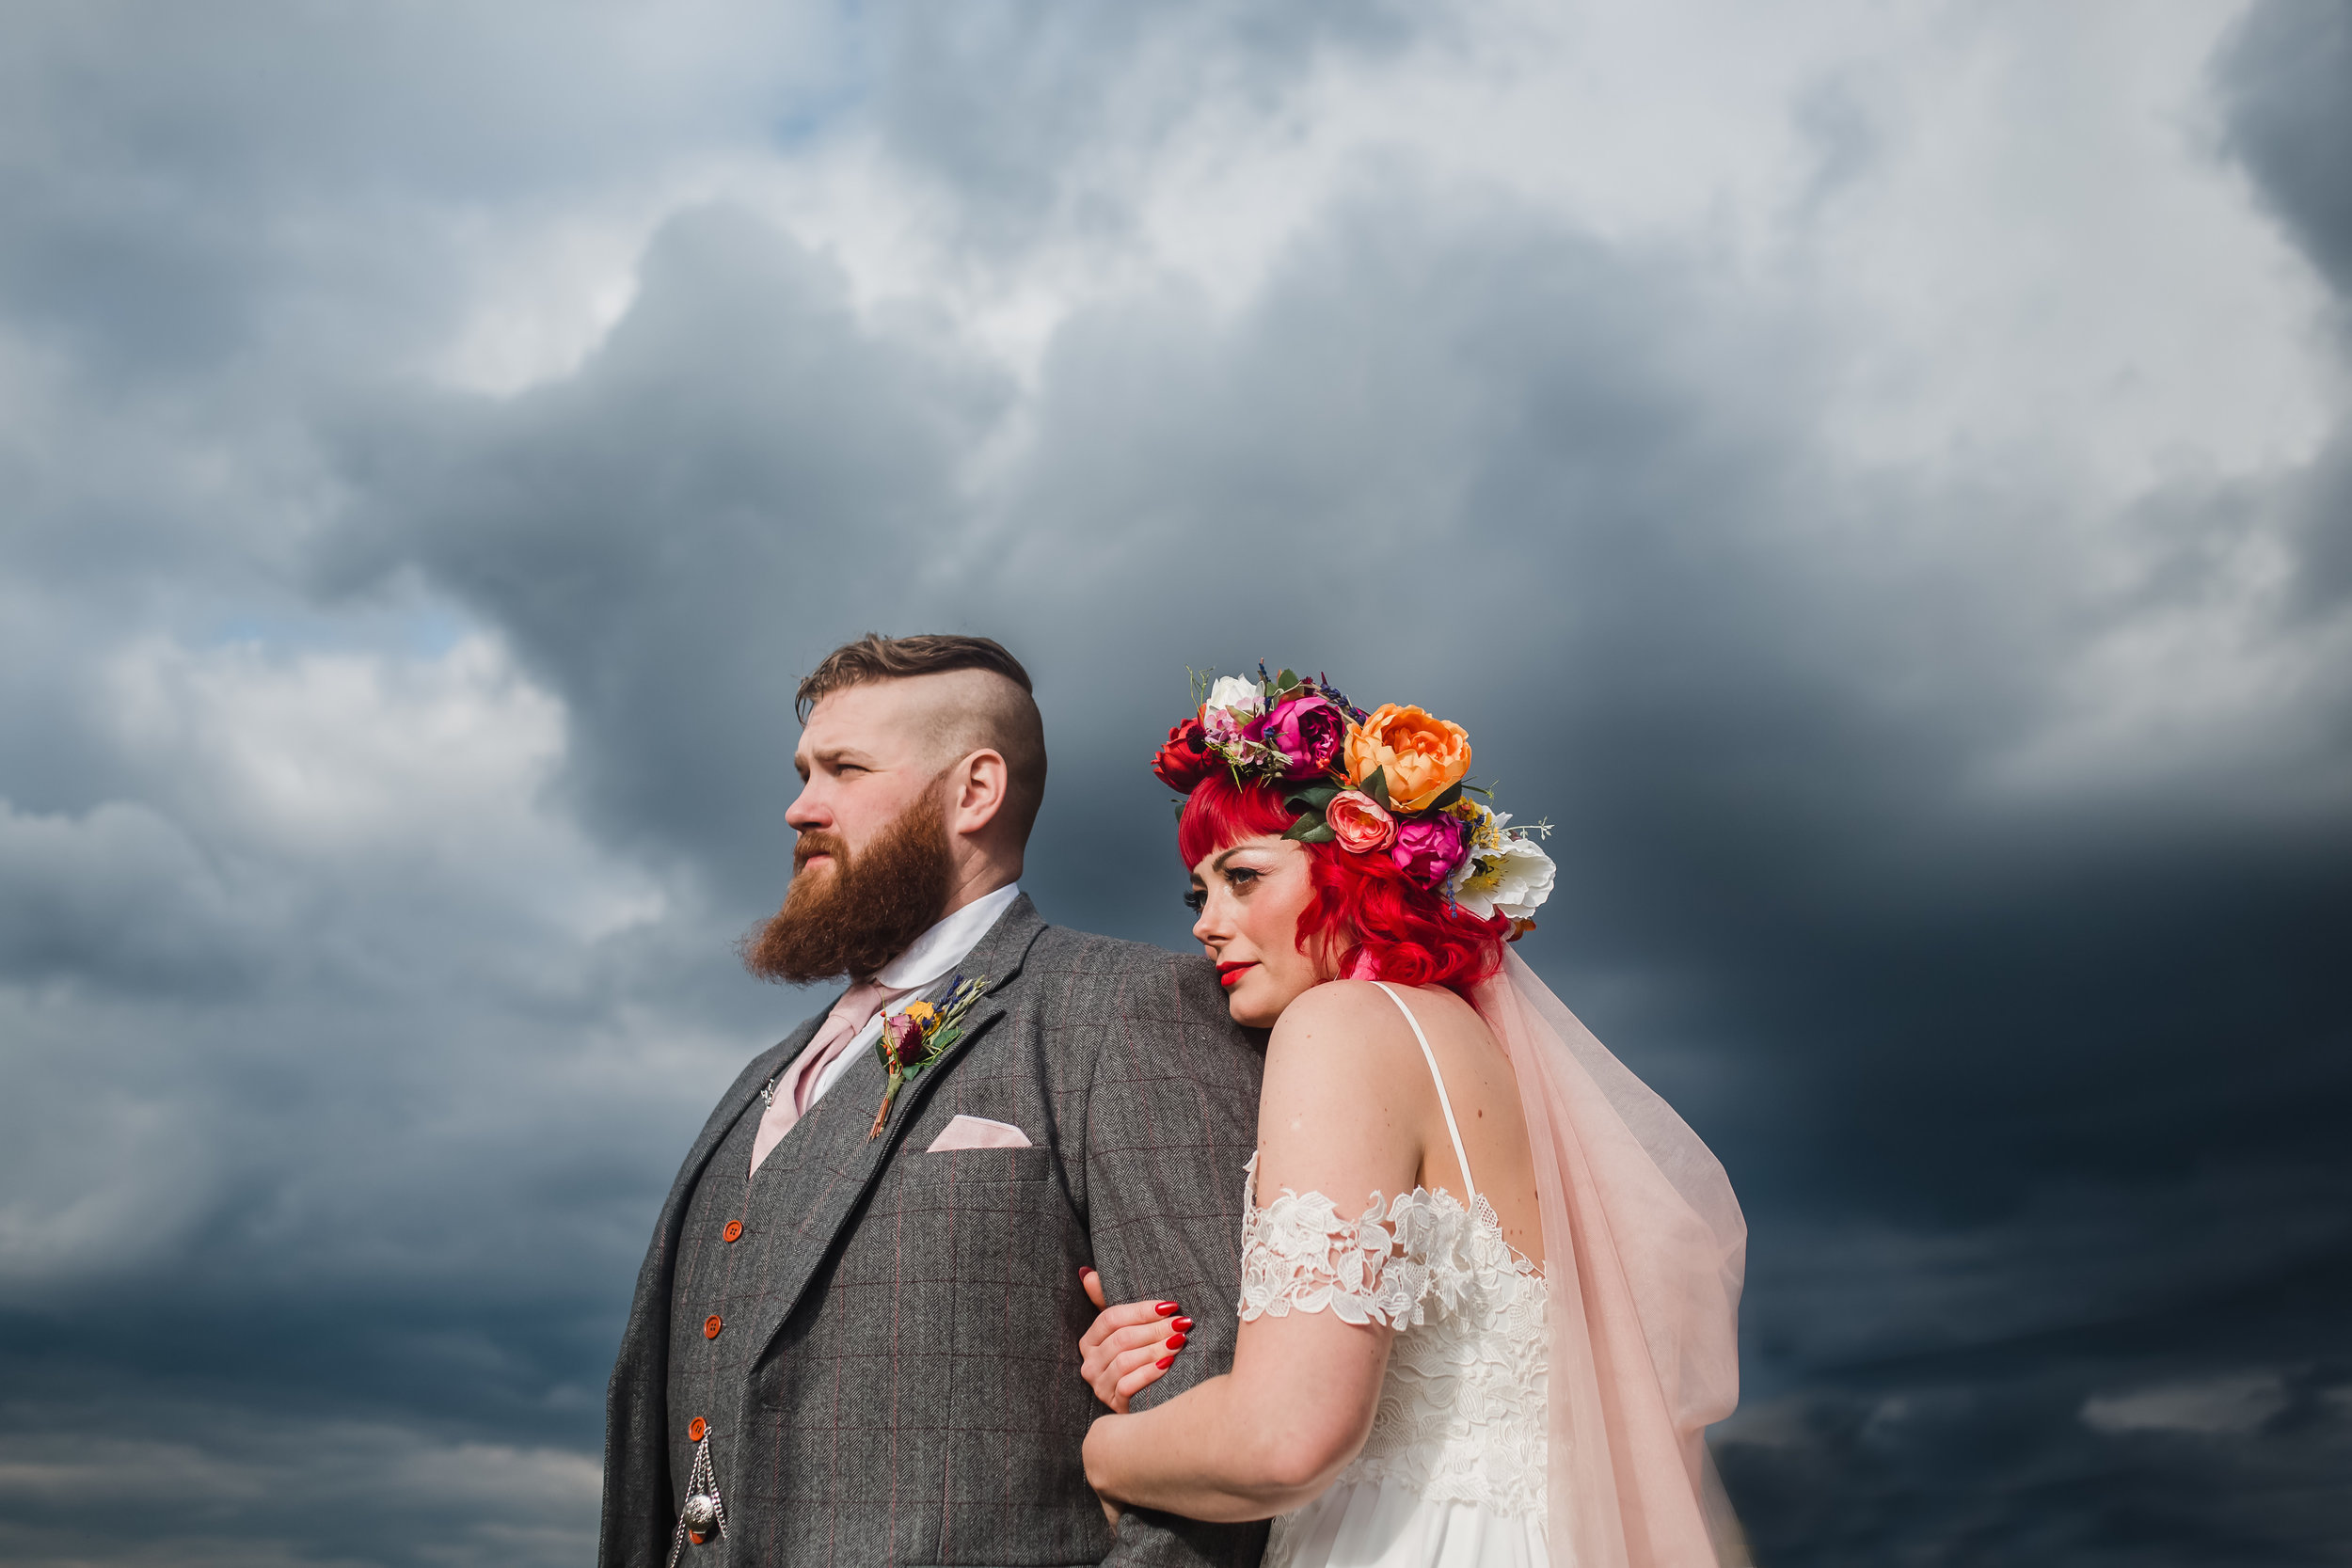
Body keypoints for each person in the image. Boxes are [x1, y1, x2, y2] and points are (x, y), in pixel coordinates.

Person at [598, 634, 1271, 1568]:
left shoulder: (1127, 1008)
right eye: (802, 771)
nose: (800, 806)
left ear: (975, 790)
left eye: (844, 768)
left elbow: (1222, 1413)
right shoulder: (759, 1074)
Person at [1074, 669, 1748, 1568]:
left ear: (1353, 864)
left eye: (1243, 876)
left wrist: (1100, 1449)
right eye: (1200, 893)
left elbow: (1285, 1437)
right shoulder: (1475, 1047)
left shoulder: (1342, 1027)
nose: (1208, 922)